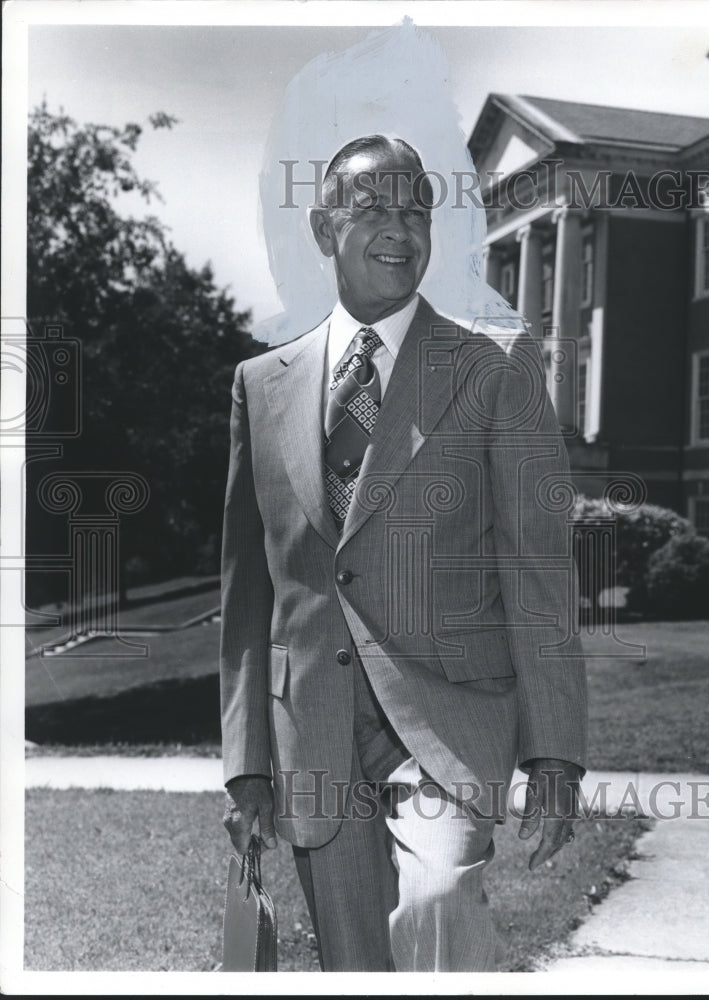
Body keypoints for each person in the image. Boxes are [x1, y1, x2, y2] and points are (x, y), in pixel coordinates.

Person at [220, 134, 587, 972]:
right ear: (324, 228)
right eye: (373, 207)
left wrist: (555, 751)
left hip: (450, 716)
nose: (400, 227)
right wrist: (246, 765)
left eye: (416, 208)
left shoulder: (496, 365)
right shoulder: (259, 382)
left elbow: (538, 570)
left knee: (438, 904)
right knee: (353, 965)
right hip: (310, 727)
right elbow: (247, 593)